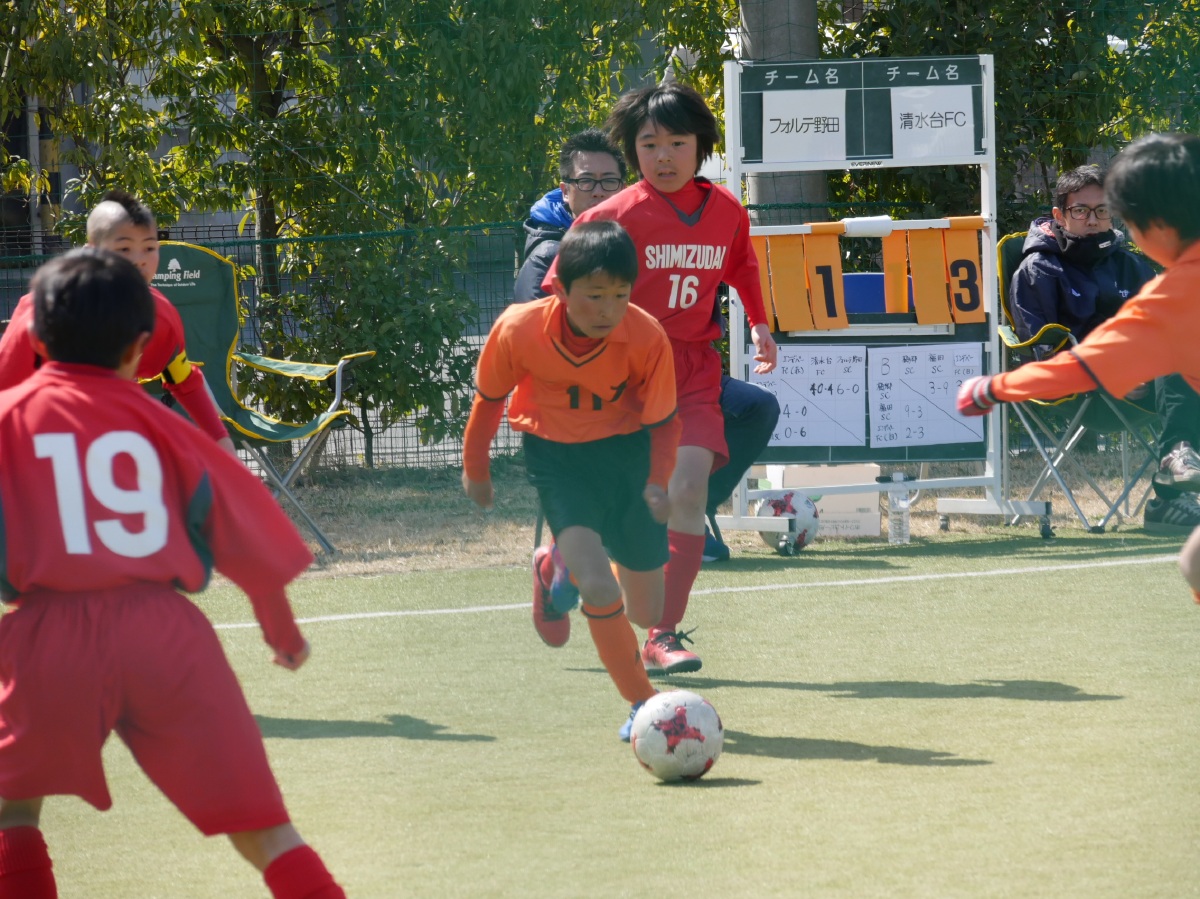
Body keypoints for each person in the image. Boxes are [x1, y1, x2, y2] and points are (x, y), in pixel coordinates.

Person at [0, 248, 344, 898]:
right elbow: (248, 539)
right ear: (138, 348)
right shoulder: (164, 426)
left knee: (12, 810)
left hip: (49, 638)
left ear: (36, 340)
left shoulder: (8, 418)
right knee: (266, 829)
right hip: (164, 637)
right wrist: (283, 633)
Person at [546, 81, 779, 676]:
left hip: (693, 369)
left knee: (688, 491)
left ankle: (661, 634)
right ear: (633, 152)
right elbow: (557, 287)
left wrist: (759, 323)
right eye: (649, 145)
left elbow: (742, 264)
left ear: (701, 146)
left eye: (677, 142)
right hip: (621, 373)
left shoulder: (725, 210)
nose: (664, 156)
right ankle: (563, 563)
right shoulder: (612, 217)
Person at [516, 128, 780, 566]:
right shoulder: (551, 254)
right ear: (565, 190)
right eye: (586, 181)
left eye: (608, 181)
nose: (598, 191)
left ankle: (684, 511)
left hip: (683, 370)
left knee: (755, 407)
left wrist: (758, 322)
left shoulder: (661, 217)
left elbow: (737, 264)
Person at [464, 220, 681, 740]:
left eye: (621, 295)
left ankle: (554, 569)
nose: (608, 309)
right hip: (558, 460)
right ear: (560, 289)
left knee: (646, 611)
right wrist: (476, 469)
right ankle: (642, 702)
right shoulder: (518, 328)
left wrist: (657, 481)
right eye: (595, 295)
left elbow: (665, 424)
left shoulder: (647, 335)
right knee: (601, 587)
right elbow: (488, 401)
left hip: (628, 458)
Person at [960, 132, 1200, 548]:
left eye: (1103, 210)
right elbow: (1041, 349)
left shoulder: (1134, 265)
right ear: (1059, 214)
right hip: (1081, 389)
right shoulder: (1037, 269)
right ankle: (1175, 465)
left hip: (1147, 384)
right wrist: (1116, 372)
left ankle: (1171, 484)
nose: (1092, 219)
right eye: (1081, 210)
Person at [0, 189, 236, 454]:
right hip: (31, 441)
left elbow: (183, 378)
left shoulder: (161, 317)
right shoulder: (41, 314)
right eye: (124, 249)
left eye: (149, 247)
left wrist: (221, 440)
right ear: (91, 253)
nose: (139, 260)